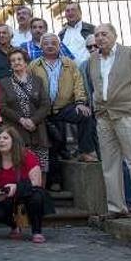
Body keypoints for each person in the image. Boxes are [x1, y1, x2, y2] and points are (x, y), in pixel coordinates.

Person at [88, 23, 131, 221]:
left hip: (128, 114)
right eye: (97, 35)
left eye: (104, 34)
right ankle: (116, 206)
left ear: (114, 35)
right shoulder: (93, 59)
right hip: (104, 116)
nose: (100, 38)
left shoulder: (130, 55)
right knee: (110, 164)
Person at [29, 33, 98, 190]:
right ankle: (55, 181)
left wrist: (80, 102)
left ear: (59, 46)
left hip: (64, 106)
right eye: (46, 43)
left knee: (84, 115)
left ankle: (86, 151)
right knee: (52, 144)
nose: (50, 45)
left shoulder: (69, 64)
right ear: (40, 46)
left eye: (54, 43)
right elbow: (29, 87)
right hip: (43, 111)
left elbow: (78, 84)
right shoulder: (34, 65)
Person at [0, 126, 48, 243]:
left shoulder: (27, 156)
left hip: (28, 194)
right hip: (8, 199)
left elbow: (36, 183)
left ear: (14, 141)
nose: (1, 141)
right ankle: (14, 225)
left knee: (37, 196)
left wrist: (17, 187)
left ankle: (37, 231)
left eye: (5, 138)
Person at [0, 49, 51, 182]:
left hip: (37, 130)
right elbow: (2, 107)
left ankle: (40, 196)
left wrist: (33, 121)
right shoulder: (4, 82)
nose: (16, 62)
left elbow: (45, 104)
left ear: (26, 62)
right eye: (13, 60)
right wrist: (21, 120)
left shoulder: (37, 81)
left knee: (40, 168)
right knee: (19, 167)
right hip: (17, 132)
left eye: (19, 59)